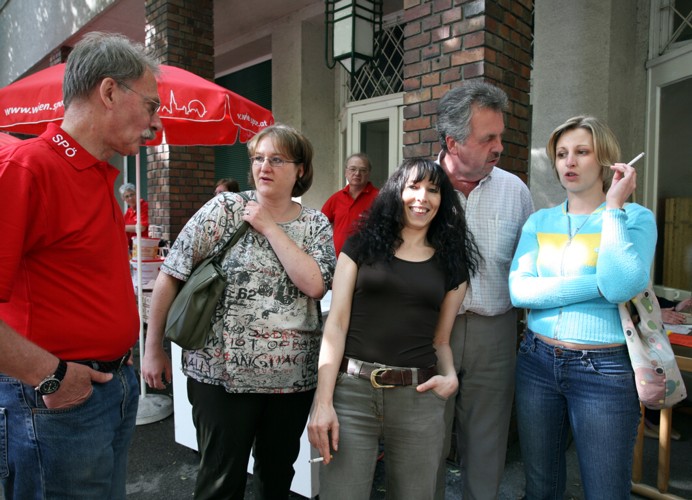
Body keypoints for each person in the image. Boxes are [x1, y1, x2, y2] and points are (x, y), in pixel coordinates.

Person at [0, 32, 162, 499]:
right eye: (150, 105)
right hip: (57, 401)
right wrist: (51, 376)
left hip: (106, 388)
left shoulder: (96, 175)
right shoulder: (29, 169)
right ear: (109, 92)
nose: (155, 123)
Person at [142, 123, 336, 499]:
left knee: (276, 479)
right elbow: (171, 273)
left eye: (276, 159)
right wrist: (153, 349)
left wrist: (269, 227)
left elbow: (315, 284)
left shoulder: (314, 224)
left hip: (290, 380)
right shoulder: (225, 208)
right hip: (219, 377)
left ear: (300, 169)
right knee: (220, 480)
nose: (264, 166)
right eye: (258, 158)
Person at [308, 158, 480, 499]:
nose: (422, 197)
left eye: (433, 190)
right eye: (413, 187)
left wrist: (450, 376)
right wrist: (322, 402)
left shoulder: (452, 264)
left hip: (418, 397)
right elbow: (336, 325)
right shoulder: (360, 247)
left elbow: (441, 339)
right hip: (352, 394)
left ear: (442, 200)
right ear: (396, 193)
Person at [508, 115, 657, 499]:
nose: (569, 162)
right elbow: (520, 292)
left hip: (604, 370)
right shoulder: (539, 221)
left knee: (606, 491)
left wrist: (614, 208)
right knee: (540, 488)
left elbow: (621, 285)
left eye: (581, 152)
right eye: (561, 154)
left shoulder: (635, 218)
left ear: (606, 160)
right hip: (537, 361)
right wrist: (597, 285)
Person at [434, 81, 534, 500]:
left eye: (501, 136)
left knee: (488, 442)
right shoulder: (414, 187)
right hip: (428, 332)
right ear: (452, 142)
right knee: (426, 440)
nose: (499, 147)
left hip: (496, 330)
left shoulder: (515, 191)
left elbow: (529, 266)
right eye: (487, 138)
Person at [321, 153, 379, 255]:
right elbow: (319, 224)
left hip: (367, 259)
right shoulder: (336, 198)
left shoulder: (380, 198)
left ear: (369, 174)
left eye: (363, 170)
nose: (357, 173)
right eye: (353, 169)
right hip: (337, 258)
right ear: (346, 172)